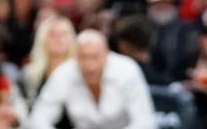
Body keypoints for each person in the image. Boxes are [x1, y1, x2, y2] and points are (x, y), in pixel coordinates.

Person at [28, 29, 156, 129]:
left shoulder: (127, 70)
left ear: (107, 55)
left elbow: (145, 122)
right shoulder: (64, 73)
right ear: (75, 56)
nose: (90, 65)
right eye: (83, 57)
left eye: (95, 57)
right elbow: (38, 118)